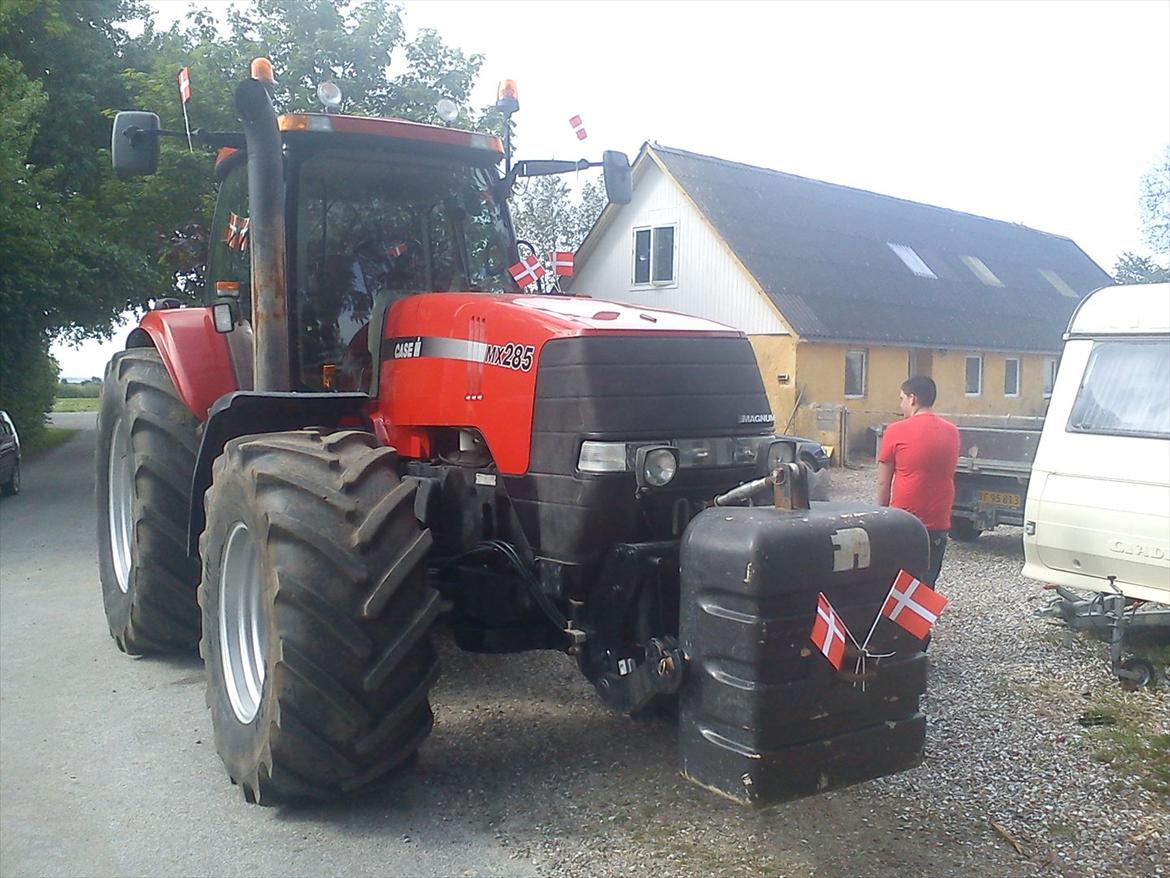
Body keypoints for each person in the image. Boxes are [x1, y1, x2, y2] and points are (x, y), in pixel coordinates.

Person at [877, 376, 960, 587]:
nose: (901, 404)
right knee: (927, 579)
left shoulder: (896, 431)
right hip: (939, 519)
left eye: (902, 398)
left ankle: (897, 619)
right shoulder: (952, 431)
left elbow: (883, 483)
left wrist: (880, 516)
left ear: (912, 399)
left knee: (899, 579)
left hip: (905, 519)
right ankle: (922, 618)